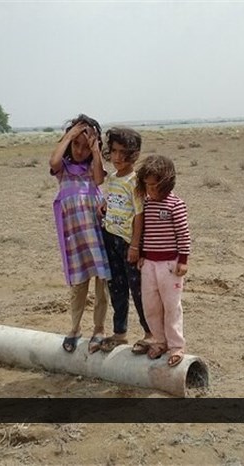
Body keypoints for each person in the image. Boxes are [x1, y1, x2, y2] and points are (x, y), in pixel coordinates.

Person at [49, 114, 111, 354]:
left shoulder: (92, 169)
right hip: (75, 238)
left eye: (86, 147)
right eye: (76, 144)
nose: (80, 151)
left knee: (102, 284)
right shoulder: (63, 169)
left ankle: (99, 329)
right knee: (79, 285)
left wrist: (95, 151)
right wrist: (69, 136)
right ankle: (74, 329)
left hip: (97, 234)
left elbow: (98, 178)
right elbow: (54, 160)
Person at [98, 127, 153, 353]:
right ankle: (120, 333)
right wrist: (105, 206)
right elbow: (112, 200)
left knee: (137, 289)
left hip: (127, 243)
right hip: (109, 238)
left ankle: (150, 333)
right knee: (117, 288)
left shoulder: (135, 182)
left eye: (123, 152)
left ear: (135, 154)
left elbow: (139, 215)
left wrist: (135, 245)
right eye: (113, 151)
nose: (117, 157)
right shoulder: (111, 178)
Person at [135, 155, 191, 367]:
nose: (150, 190)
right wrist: (140, 254)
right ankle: (159, 341)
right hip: (148, 264)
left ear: (166, 183)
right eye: (147, 185)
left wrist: (183, 259)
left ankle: (176, 346)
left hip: (170, 265)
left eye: (154, 185)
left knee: (171, 306)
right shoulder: (146, 204)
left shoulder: (175, 205)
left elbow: (183, 234)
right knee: (151, 305)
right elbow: (142, 231)